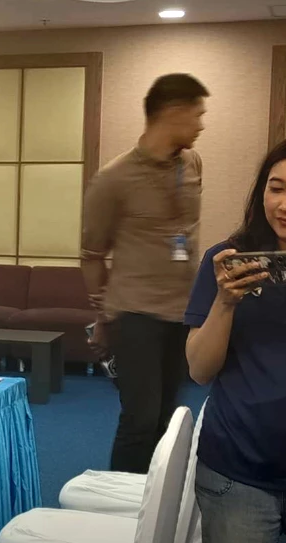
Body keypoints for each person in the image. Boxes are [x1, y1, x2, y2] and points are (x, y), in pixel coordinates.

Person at [80, 73, 209, 473]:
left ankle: (158, 497)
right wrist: (103, 318)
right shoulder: (113, 179)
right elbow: (91, 255)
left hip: (181, 312)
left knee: (168, 417)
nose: (201, 125)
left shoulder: (192, 163)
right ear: (172, 112)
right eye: (197, 115)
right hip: (134, 313)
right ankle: (120, 499)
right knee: (140, 417)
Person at [184, 133, 286, 543]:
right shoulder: (227, 261)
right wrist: (225, 301)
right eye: (276, 188)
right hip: (236, 471)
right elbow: (200, 371)